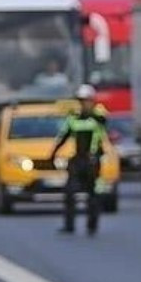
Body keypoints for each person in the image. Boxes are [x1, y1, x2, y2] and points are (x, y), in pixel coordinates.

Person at [50, 84, 108, 236]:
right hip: (78, 160)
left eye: (87, 100)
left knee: (93, 195)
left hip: (93, 161)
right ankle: (69, 225)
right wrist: (53, 154)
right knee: (70, 193)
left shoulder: (98, 118)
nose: (84, 104)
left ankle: (92, 225)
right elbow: (63, 137)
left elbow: (104, 123)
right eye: (81, 101)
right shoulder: (73, 119)